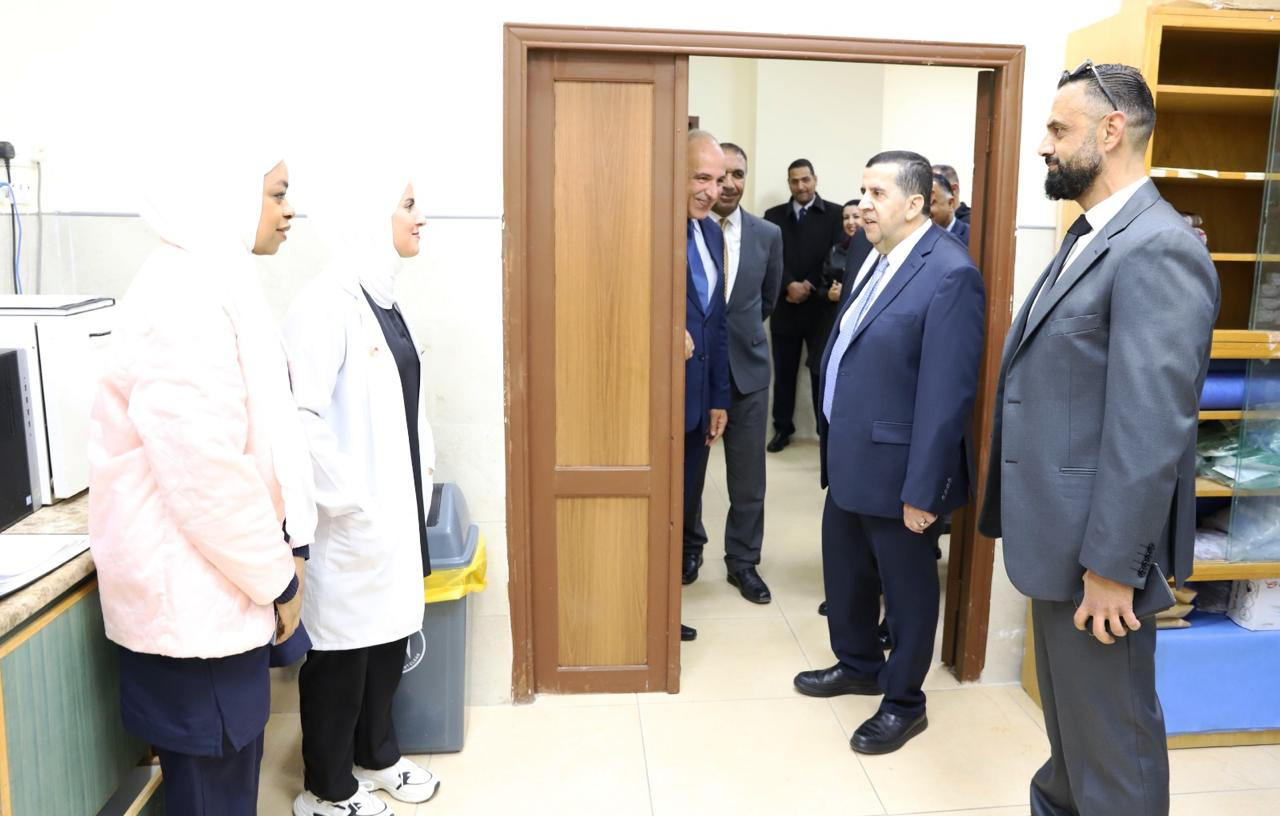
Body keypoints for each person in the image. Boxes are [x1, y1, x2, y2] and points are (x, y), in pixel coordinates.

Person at [978, 61, 1218, 816]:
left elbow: (1150, 427)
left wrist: (1113, 568)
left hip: (1100, 559)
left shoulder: (1159, 247)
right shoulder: (1090, 234)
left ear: (1112, 131)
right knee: (1074, 743)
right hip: (1060, 542)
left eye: (1058, 129)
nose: (1043, 145)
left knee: (1115, 758)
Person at [88, 143, 316, 815]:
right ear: (229, 193)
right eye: (277, 193)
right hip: (195, 611)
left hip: (214, 596)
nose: (288, 209)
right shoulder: (185, 295)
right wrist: (277, 579)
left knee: (225, 786)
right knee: (214, 794)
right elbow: (205, 474)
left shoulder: (210, 276)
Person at [793, 150, 985, 756]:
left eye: (877, 194)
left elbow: (947, 396)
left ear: (915, 203)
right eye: (862, 191)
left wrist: (924, 491)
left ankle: (904, 702)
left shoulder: (950, 272)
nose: (863, 205)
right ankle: (856, 665)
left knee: (906, 594)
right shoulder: (867, 252)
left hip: (901, 470)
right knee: (846, 574)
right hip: (850, 456)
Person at [284, 160, 439, 816]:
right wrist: (354, 501)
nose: (420, 217)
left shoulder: (384, 297)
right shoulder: (324, 304)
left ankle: (377, 755)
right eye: (408, 205)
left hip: (392, 511)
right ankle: (326, 787)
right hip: (351, 517)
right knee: (341, 655)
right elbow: (301, 418)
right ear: (371, 216)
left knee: (386, 641)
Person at [682, 141, 783, 603]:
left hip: (748, 372)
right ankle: (689, 549)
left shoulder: (767, 234)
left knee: (748, 480)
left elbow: (768, 299)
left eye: (735, 175)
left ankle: (743, 562)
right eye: (714, 176)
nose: (725, 185)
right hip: (694, 373)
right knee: (689, 472)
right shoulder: (691, 228)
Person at [680, 130, 731, 641]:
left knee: (682, 506)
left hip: (699, 404)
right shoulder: (649, 228)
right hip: (656, 401)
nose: (712, 191)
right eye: (701, 177)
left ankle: (663, 603)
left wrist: (719, 398)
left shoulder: (712, 234)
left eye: (718, 181)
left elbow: (715, 323)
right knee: (656, 509)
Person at [764, 159, 845, 452]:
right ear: (789, 183)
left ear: (815, 179)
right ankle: (782, 429)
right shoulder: (773, 216)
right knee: (783, 373)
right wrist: (788, 284)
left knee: (820, 373)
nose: (801, 186)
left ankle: (825, 432)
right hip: (785, 305)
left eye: (805, 180)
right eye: (795, 181)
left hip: (820, 309)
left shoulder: (835, 214)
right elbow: (770, 256)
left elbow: (834, 256)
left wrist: (808, 284)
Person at [930, 174, 970, 247]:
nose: (924, 210)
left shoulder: (970, 237)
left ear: (950, 203)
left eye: (930, 203)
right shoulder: (916, 236)